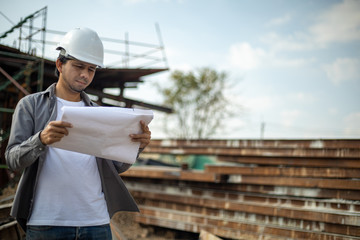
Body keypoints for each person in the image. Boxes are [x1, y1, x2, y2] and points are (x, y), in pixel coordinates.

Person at [5, 27, 151, 240]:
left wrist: (136, 147)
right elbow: (12, 159)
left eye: (91, 69)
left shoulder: (100, 113)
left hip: (95, 223)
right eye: (79, 66)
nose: (85, 74)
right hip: (46, 223)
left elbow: (116, 167)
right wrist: (40, 140)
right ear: (60, 64)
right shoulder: (31, 105)